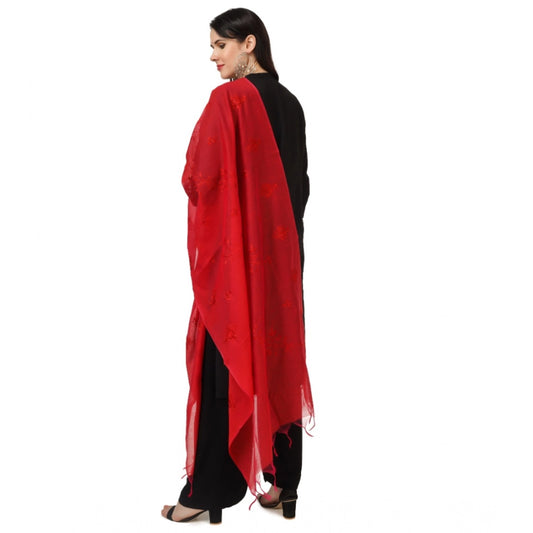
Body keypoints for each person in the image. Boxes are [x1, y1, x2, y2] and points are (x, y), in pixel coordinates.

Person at [161, 8, 314, 524]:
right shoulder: (291, 103)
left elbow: (196, 178)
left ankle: (207, 492)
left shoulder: (228, 101)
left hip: (236, 265)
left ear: (249, 43)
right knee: (279, 360)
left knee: (223, 363)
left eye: (220, 45)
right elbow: (301, 186)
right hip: (283, 260)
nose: (212, 56)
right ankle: (283, 486)